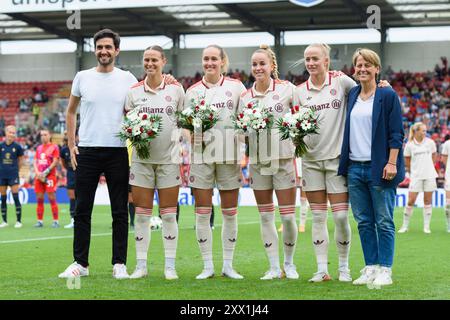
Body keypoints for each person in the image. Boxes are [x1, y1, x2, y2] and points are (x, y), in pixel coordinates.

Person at [58, 29, 138, 280]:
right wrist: (72, 144)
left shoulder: (127, 78)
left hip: (118, 151)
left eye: (108, 47)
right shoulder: (82, 77)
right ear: (95, 50)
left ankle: (119, 264)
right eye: (99, 47)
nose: (104, 51)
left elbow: (138, 112)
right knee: (82, 210)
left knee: (119, 211)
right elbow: (71, 112)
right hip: (88, 151)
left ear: (116, 50)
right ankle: (80, 263)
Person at [338, 48, 404, 286]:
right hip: (354, 167)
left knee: (384, 220)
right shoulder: (352, 93)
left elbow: (397, 133)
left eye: (368, 65)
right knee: (364, 221)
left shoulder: (387, 94)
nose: (363, 69)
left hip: (380, 167)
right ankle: (371, 267)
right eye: (359, 65)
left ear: (377, 68)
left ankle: (385, 269)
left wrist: (391, 161)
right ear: (354, 70)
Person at [293, 43, 356, 282]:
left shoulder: (341, 83)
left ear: (326, 61)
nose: (310, 63)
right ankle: (321, 269)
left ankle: (344, 267)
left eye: (315, 58)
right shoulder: (299, 91)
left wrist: (383, 84)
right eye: (307, 58)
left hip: (337, 161)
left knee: (340, 217)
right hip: (310, 161)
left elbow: (367, 89)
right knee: (318, 217)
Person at [186, 44, 246, 280]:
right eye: (205, 59)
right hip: (201, 158)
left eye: (214, 59)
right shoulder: (191, 91)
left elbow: (245, 119)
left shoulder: (236, 87)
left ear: (223, 62)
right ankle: (207, 265)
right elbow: (184, 125)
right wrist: (189, 134)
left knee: (230, 213)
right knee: (202, 213)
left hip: (229, 157)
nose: (209, 63)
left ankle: (228, 265)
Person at [240, 45, 298, 280]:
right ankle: (273, 266)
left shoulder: (288, 89)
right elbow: (240, 129)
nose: (258, 68)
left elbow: (303, 113)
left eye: (262, 63)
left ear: (272, 66)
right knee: (265, 216)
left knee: (287, 216)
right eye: (254, 64)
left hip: (284, 160)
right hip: (258, 162)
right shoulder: (244, 97)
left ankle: (289, 264)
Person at [126, 45, 184, 280]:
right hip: (141, 162)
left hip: (169, 161)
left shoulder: (176, 89)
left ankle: (170, 266)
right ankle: (141, 265)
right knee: (141, 215)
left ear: (163, 61)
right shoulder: (133, 92)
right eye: (146, 60)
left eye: (154, 60)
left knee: (169, 215)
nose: (150, 64)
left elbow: (184, 119)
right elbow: (128, 126)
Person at [399, 123, 438, 234]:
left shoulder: (430, 143)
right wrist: (414, 172)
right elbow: (407, 162)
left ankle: (426, 227)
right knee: (411, 201)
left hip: (430, 176)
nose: (425, 133)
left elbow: (434, 157)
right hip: (416, 177)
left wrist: (428, 168)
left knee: (427, 201)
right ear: (416, 131)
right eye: (423, 131)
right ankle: (404, 226)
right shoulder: (409, 145)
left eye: (425, 131)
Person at [33, 129, 60, 228]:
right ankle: (40, 221)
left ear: (49, 135)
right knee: (39, 198)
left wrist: (45, 172)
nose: (43, 136)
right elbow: (35, 161)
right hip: (39, 176)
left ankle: (56, 221)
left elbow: (55, 161)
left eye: (45, 134)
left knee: (51, 198)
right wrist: (37, 173)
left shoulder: (54, 147)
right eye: (41, 135)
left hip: (49, 176)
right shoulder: (39, 148)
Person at [0, 126, 24, 228]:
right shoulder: (1, 146)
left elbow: (21, 161)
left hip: (13, 174)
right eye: (10, 132)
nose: (12, 134)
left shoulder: (18, 147)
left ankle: (18, 221)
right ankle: (4, 221)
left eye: (14, 133)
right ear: (6, 133)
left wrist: (15, 170)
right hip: (2, 175)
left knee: (15, 197)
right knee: (3, 198)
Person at [59, 131, 76, 229]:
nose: (66, 136)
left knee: (80, 197)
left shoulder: (79, 147)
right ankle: (72, 220)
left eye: (67, 134)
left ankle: (81, 219)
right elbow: (64, 164)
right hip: (70, 175)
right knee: (72, 197)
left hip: (80, 174)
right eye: (65, 134)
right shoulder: (63, 150)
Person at [440, 135, 450, 233]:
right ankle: (449, 224)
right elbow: (444, 159)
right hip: (449, 176)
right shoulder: (447, 143)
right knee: (448, 204)